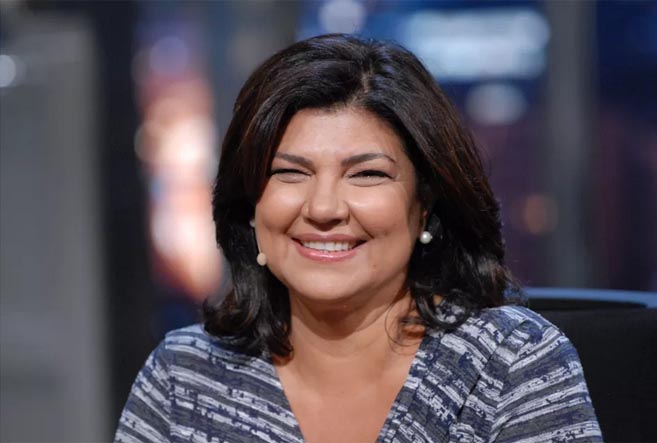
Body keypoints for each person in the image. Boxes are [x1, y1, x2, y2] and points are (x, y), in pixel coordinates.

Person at [115, 34, 602, 443]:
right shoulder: (184, 377)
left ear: (425, 204)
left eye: (367, 174)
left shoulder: (510, 364)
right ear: (250, 205)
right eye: (289, 173)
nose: (324, 208)